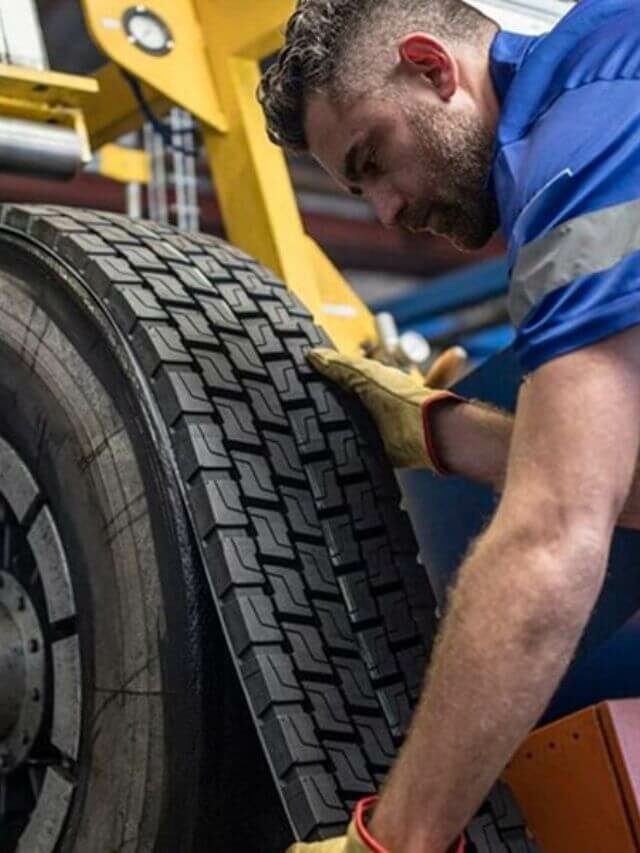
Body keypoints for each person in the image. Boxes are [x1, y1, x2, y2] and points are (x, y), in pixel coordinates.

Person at [258, 0, 640, 850]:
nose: (386, 212)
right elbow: (614, 488)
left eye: (372, 160)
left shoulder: (585, 150)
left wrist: (396, 838)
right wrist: (449, 433)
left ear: (432, 69)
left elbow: (552, 536)